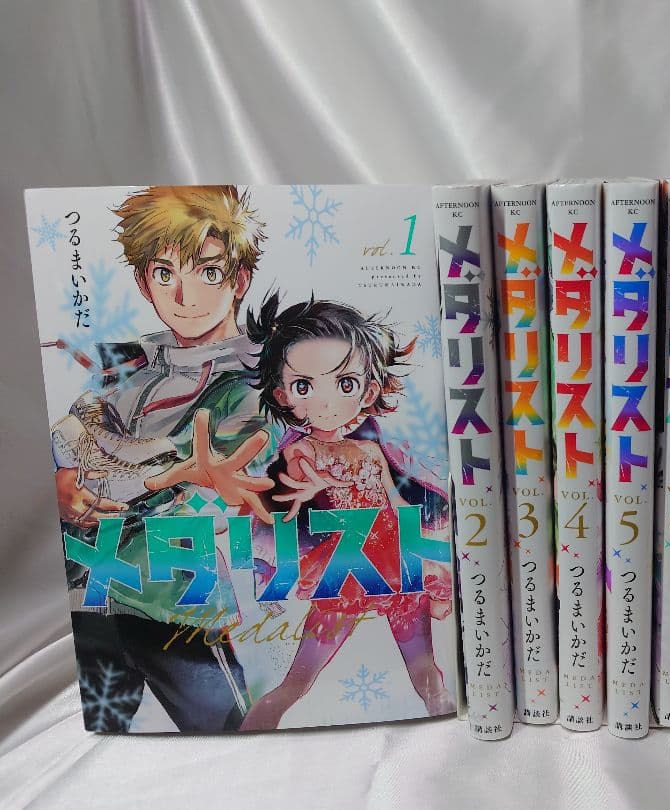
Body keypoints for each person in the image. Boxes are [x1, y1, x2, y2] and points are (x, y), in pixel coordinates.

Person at [53, 185, 275, 732]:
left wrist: (121, 476)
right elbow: (70, 436)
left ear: (239, 279)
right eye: (164, 272)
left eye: (208, 272)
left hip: (173, 598)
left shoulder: (257, 381)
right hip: (90, 592)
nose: (185, 295)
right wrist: (63, 483)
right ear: (142, 281)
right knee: (101, 740)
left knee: (234, 738)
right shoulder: (127, 366)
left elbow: (209, 478)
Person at [238, 294, 454, 730]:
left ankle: (452, 736)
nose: (326, 401)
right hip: (344, 568)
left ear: (368, 390)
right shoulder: (301, 451)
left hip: (396, 565)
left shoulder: (372, 450)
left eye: (345, 383)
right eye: (304, 386)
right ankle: (247, 737)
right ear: (283, 394)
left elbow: (397, 504)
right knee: (294, 685)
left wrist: (429, 554)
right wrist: (314, 487)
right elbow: (296, 485)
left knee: (426, 673)